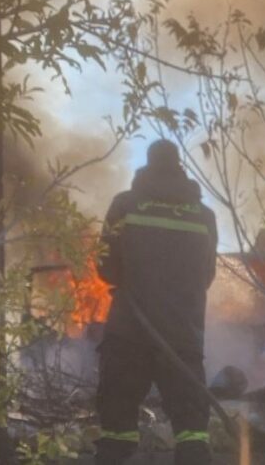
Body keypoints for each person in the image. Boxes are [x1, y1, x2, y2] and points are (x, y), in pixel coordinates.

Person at [95, 139, 218, 465]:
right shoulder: (204, 216)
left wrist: (139, 285)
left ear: (147, 165)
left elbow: (105, 267)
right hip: (183, 334)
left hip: (129, 330)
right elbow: (206, 275)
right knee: (192, 435)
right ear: (179, 166)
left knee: (116, 432)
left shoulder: (124, 205)